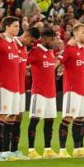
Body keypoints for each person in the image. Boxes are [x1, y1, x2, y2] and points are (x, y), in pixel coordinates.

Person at [27, 28, 59, 159]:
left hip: (51, 93)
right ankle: (31, 150)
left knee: (49, 121)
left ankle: (47, 149)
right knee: (35, 120)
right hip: (39, 92)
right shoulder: (35, 52)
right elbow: (24, 63)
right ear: (44, 39)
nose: (54, 42)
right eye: (52, 39)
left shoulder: (51, 52)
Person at [0, 16, 21, 160]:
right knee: (1, 116)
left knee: (12, 117)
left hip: (15, 86)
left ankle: (5, 151)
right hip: (3, 85)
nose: (18, 28)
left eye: (18, 26)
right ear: (7, 27)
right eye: (15, 26)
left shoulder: (14, 43)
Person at [8, 24, 38, 161]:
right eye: (31, 41)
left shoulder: (24, 49)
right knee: (8, 118)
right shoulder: (12, 44)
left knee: (18, 118)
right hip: (9, 88)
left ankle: (14, 150)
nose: (32, 44)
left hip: (20, 88)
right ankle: (3, 150)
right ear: (26, 36)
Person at [60, 22, 84, 158]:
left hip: (83, 90)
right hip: (72, 90)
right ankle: (62, 150)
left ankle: (77, 148)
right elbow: (59, 61)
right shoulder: (69, 49)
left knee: (80, 119)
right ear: (75, 33)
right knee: (68, 118)